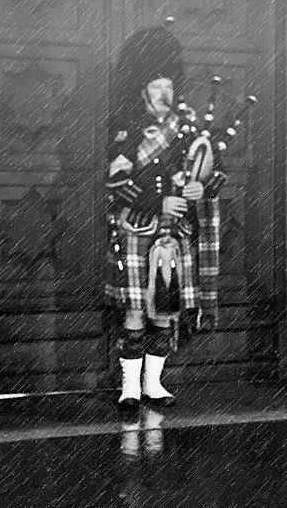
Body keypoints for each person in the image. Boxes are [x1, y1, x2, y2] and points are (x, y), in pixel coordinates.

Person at [104, 24, 224, 411]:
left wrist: (200, 190)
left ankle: (154, 385)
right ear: (141, 92)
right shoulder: (126, 133)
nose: (164, 96)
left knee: (164, 312)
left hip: (175, 235)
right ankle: (129, 389)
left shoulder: (190, 129)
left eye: (169, 88)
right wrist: (159, 204)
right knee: (136, 311)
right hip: (138, 229)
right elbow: (116, 185)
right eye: (156, 89)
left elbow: (213, 172)